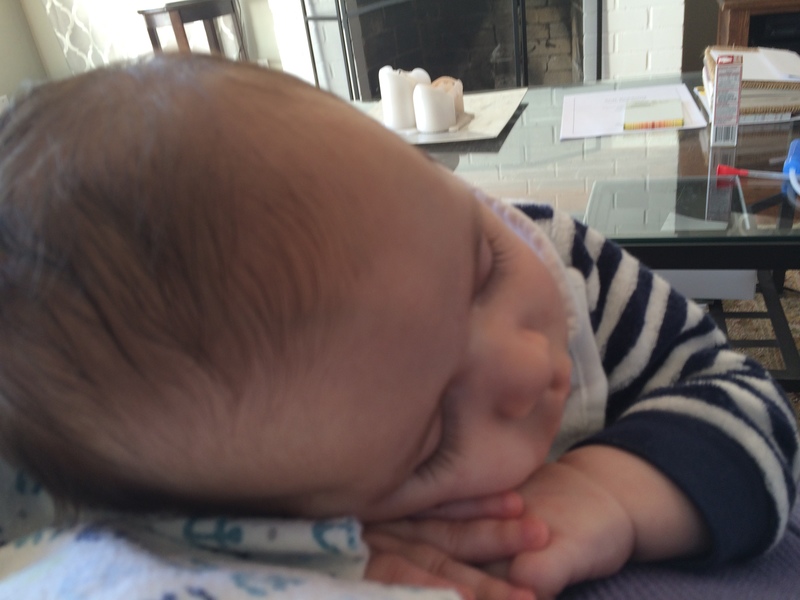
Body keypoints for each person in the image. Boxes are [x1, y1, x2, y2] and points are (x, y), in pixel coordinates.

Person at [0, 54, 797, 600]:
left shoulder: (561, 262)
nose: (528, 363)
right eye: (436, 438)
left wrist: (613, 491)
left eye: (482, 270)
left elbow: (751, 407)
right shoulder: (220, 500)